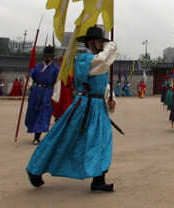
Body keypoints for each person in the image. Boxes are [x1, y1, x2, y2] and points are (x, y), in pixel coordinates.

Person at [26, 26, 119, 192]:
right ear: (90, 42)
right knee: (62, 137)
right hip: (84, 106)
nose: (102, 44)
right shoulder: (85, 60)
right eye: (99, 41)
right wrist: (111, 48)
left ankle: (99, 179)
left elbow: (104, 85)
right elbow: (100, 63)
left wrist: (110, 101)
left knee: (103, 141)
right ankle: (35, 168)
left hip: (99, 107)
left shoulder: (101, 61)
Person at [25, 46, 60, 144]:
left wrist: (55, 95)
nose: (47, 58)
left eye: (49, 56)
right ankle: (34, 130)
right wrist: (28, 79)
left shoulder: (56, 69)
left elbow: (57, 82)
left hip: (47, 92)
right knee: (33, 112)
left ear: (52, 57)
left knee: (42, 114)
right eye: (45, 56)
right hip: (36, 92)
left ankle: (37, 136)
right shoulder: (37, 67)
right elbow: (31, 79)